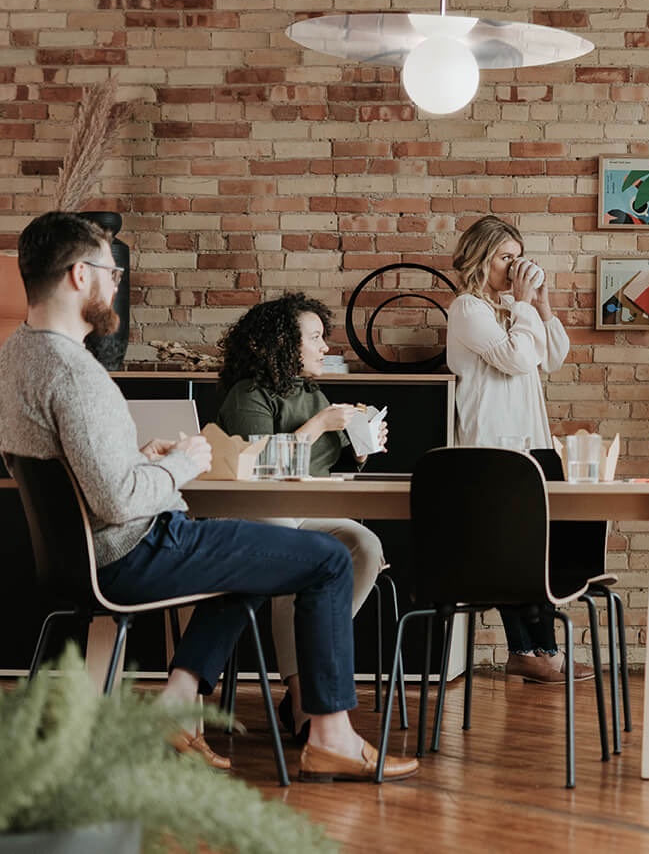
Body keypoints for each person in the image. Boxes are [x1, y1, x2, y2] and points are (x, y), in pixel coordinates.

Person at [0, 212, 416, 781]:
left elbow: (86, 475)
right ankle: (331, 734)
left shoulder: (18, 355)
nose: (116, 282)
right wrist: (181, 463)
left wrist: (141, 455)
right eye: (110, 271)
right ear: (78, 275)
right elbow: (120, 502)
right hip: (135, 546)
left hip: (84, 555)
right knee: (328, 559)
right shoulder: (78, 373)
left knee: (256, 556)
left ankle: (178, 700)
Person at [213, 292, 388, 744]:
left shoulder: (315, 394)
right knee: (307, 557)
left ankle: (311, 665)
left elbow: (328, 470)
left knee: (365, 546)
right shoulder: (248, 394)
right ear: (280, 343)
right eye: (314, 338)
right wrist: (318, 426)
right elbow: (259, 469)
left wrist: (361, 447)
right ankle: (303, 697)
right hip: (258, 514)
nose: (324, 347)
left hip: (308, 512)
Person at [445, 215, 593, 684]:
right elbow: (515, 359)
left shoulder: (512, 307)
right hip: (492, 444)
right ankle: (532, 653)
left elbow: (553, 357)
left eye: (517, 256)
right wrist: (525, 306)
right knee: (512, 550)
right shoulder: (467, 308)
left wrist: (541, 305)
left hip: (530, 440)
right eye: (505, 258)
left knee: (536, 550)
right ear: (480, 259)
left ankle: (540, 651)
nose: (514, 266)